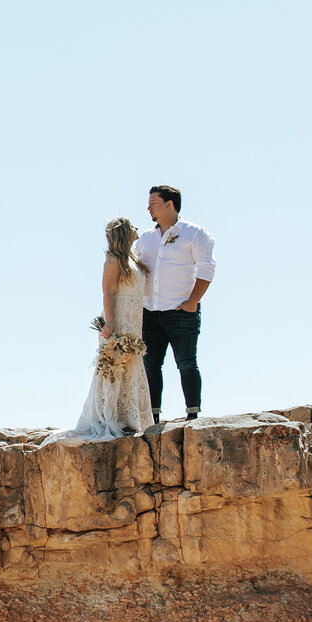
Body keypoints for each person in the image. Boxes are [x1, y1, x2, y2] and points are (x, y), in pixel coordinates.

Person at [132, 185, 215, 423]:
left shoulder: (195, 233)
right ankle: (153, 417)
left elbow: (207, 268)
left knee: (186, 362)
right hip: (149, 313)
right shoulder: (145, 239)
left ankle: (192, 414)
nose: (148, 207)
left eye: (153, 203)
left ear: (170, 204)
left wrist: (193, 302)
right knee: (150, 366)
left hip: (181, 312)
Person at [72, 217, 152, 438]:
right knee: (115, 364)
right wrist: (111, 323)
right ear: (124, 232)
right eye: (132, 226)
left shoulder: (133, 258)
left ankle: (130, 416)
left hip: (134, 318)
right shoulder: (113, 260)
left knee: (132, 361)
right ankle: (111, 415)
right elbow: (107, 293)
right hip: (117, 317)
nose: (137, 228)